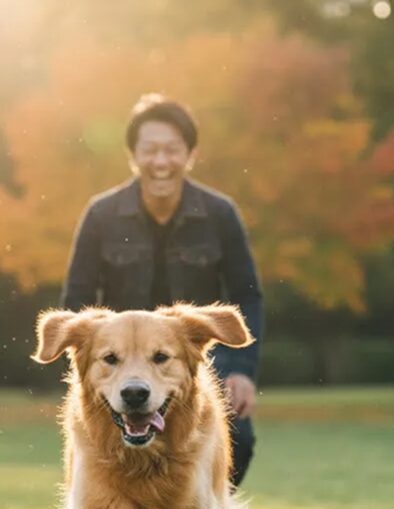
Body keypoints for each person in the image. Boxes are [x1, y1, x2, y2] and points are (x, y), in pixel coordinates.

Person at [60, 93, 263, 487]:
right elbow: (77, 299)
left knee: (241, 436)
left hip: (191, 359)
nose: (161, 161)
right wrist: (92, 363)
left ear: (190, 154)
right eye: (150, 150)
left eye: (172, 150)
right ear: (133, 155)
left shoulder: (220, 214)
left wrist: (243, 370)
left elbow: (247, 294)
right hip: (116, 359)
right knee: (94, 444)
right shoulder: (101, 215)